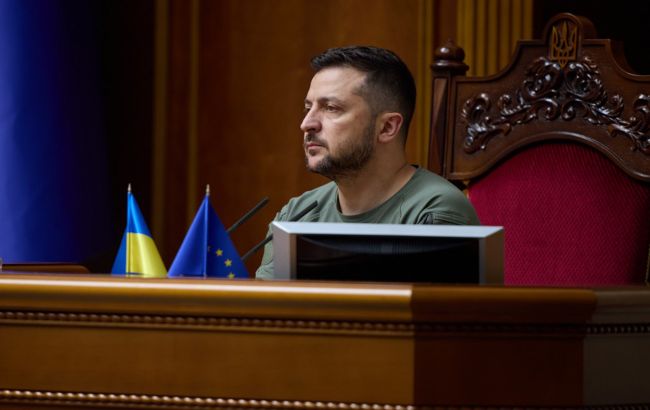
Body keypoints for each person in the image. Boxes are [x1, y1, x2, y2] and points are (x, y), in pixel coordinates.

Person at [255, 45, 479, 279]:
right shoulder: (296, 215)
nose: (307, 124)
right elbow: (264, 303)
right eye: (308, 108)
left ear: (387, 127)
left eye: (331, 108)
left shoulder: (436, 213)